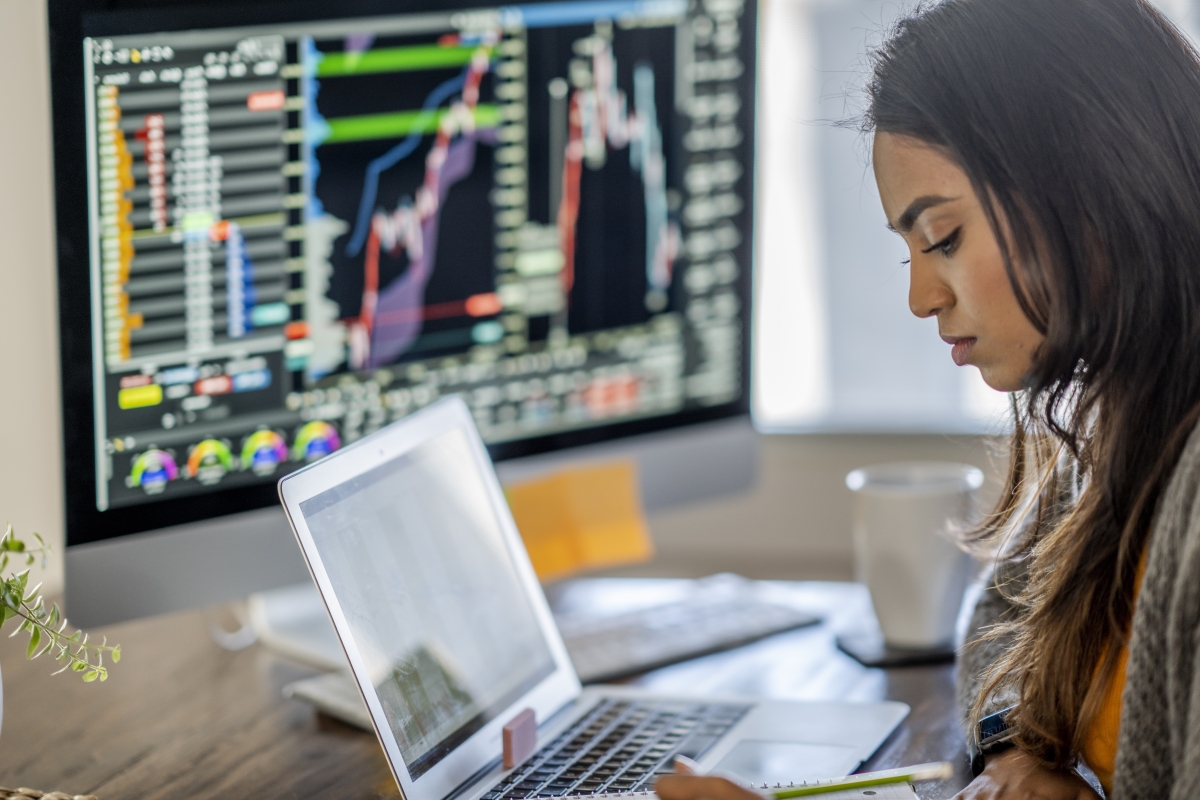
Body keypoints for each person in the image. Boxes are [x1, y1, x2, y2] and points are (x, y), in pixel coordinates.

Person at [656, 0, 1200, 798]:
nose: (920, 297)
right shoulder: (1123, 416)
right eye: (908, 248)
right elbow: (1003, 614)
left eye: (942, 237)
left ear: (1089, 189)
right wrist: (1017, 751)